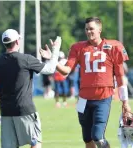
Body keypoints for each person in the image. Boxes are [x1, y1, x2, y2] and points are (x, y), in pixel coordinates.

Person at [40, 17, 131, 148]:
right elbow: (66, 70)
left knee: (98, 137)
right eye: (86, 29)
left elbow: (120, 76)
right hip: (83, 99)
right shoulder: (78, 47)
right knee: (87, 139)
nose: (88, 31)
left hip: (102, 97)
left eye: (91, 29)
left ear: (100, 29)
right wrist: (52, 60)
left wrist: (125, 102)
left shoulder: (113, 46)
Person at [0, 29, 61, 148]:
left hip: (5, 111)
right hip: (25, 110)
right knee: (35, 143)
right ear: (17, 42)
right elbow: (50, 69)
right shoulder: (26, 59)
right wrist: (55, 51)